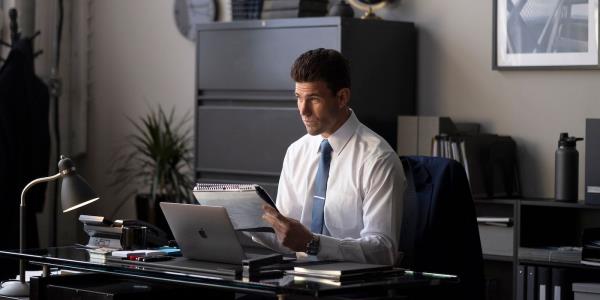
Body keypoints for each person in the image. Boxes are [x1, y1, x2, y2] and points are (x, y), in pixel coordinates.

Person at [255, 48, 406, 265]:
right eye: (299, 98)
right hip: (299, 280)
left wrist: (313, 244)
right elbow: (287, 239)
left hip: (354, 288)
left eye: (313, 99)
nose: (303, 110)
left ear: (342, 97)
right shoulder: (296, 152)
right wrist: (243, 223)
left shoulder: (377, 158)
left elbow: (383, 250)